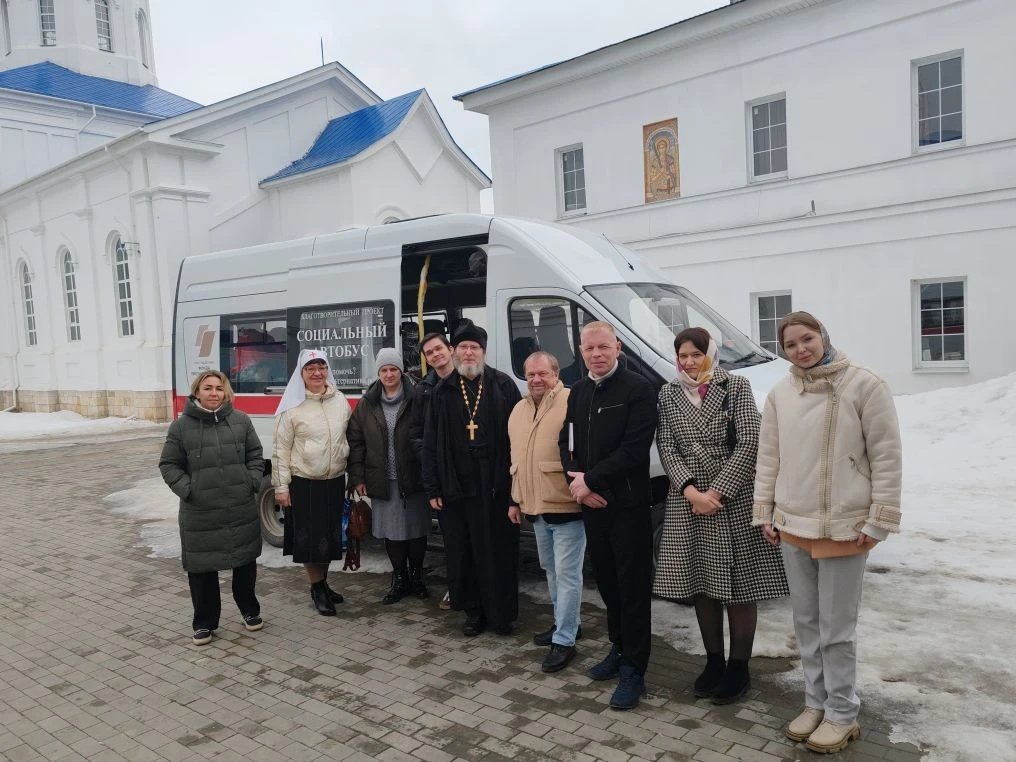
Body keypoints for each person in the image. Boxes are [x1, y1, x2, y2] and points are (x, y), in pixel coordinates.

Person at [752, 311, 902, 754]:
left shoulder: (865, 385)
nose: (801, 349)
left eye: (807, 339)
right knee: (807, 624)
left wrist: (879, 520)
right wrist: (766, 512)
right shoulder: (781, 393)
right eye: (790, 345)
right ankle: (815, 702)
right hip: (793, 524)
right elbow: (769, 457)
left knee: (837, 629)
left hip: (845, 528)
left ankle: (842, 712)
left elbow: (887, 456)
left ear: (823, 336)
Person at [654, 327, 788, 704]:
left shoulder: (735, 386)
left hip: (733, 497)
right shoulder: (668, 393)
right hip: (688, 500)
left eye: (696, 354)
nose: (689, 362)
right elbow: (666, 445)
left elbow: (750, 441)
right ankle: (713, 661)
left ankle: (739, 667)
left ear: (710, 353)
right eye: (683, 355)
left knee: (740, 585)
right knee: (701, 583)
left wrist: (716, 492)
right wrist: (690, 491)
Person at [559, 321, 657, 710]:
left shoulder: (638, 389)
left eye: (603, 347)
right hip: (593, 505)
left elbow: (634, 449)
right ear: (581, 351)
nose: (596, 354)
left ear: (617, 347)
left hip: (628, 507)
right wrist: (577, 482)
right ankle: (618, 648)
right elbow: (565, 443)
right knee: (608, 585)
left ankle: (635, 669)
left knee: (633, 590)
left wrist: (591, 482)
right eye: (589, 348)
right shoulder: (578, 391)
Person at [422, 322, 522, 636]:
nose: (468, 353)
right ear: (454, 351)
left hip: (495, 485)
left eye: (474, 348)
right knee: (463, 552)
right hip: (457, 486)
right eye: (463, 347)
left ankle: (501, 615)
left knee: (497, 551)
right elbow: (430, 441)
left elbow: (518, 439)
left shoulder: (503, 385)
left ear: (483, 352)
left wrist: (515, 491)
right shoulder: (443, 390)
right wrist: (432, 486)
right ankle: (473, 613)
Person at [159, 370, 265, 646]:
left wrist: (251, 481)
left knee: (244, 562)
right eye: (207, 388)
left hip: (239, 506)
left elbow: (256, 455)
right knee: (202, 568)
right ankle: (204, 622)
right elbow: (169, 465)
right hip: (200, 511)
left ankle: (249, 610)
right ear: (197, 392)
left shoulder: (241, 421)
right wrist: (189, 490)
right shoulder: (180, 427)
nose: (214, 393)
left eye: (219, 388)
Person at [507, 351, 584, 673]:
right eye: (531, 374)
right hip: (535, 507)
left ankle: (564, 641)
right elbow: (515, 459)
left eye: (543, 373)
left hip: (566, 505)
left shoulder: (571, 401)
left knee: (567, 575)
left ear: (556, 374)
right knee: (551, 570)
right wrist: (514, 500)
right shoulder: (519, 409)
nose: (536, 379)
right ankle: (565, 623)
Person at [347, 348, 430, 605]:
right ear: (379, 373)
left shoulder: (417, 397)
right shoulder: (367, 403)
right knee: (392, 533)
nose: (389, 374)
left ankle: (416, 577)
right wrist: (358, 477)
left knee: (416, 531)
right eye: (384, 370)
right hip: (383, 479)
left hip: (414, 478)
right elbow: (356, 441)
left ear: (401, 371)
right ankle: (400, 578)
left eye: (393, 369)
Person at [272, 349, 351, 616]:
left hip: (334, 481)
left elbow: (348, 437)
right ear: (302, 373)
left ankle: (324, 584)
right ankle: (317, 588)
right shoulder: (292, 407)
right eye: (310, 368)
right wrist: (281, 487)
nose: (317, 373)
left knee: (329, 538)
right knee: (311, 541)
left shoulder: (340, 400)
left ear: (328, 370)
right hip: (304, 483)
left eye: (321, 367)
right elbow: (280, 450)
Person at [418, 331, 456, 611]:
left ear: (450, 349)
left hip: (470, 477)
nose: (435, 354)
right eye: (429, 353)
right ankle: (455, 588)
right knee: (452, 539)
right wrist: (433, 462)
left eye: (438, 348)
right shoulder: (424, 390)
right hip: (443, 480)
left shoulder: (470, 380)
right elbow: (416, 434)